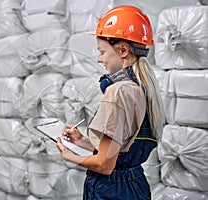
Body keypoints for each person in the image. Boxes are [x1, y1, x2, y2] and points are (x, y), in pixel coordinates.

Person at [56, 5, 165, 200]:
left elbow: (104, 165)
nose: (99, 59)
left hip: (111, 191)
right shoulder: (145, 87)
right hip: (135, 185)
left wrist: (68, 155)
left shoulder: (118, 91)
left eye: (102, 52)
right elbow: (120, 150)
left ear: (122, 50)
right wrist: (83, 141)